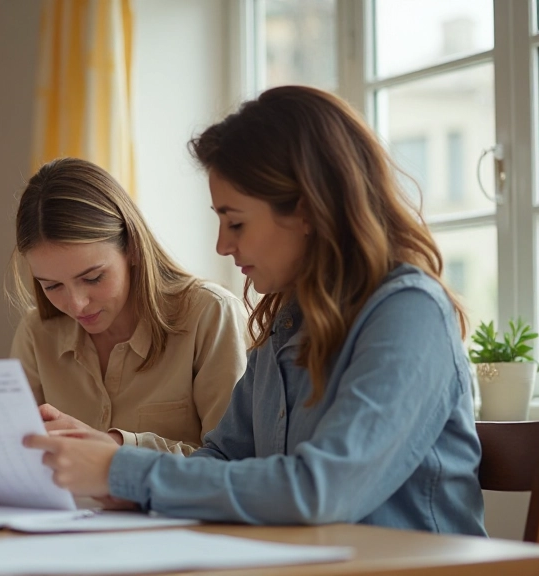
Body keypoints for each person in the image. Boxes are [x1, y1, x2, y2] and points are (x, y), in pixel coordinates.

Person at [24, 86, 487, 535]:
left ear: (307, 209)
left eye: (236, 222)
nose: (222, 244)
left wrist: (122, 471)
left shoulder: (409, 314)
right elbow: (225, 459)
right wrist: (113, 479)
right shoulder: (287, 320)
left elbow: (320, 491)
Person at [9, 158, 248, 455]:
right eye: (52, 286)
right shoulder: (36, 334)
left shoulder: (211, 315)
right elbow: (17, 455)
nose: (76, 304)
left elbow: (235, 466)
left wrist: (117, 449)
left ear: (132, 248)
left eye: (93, 277)